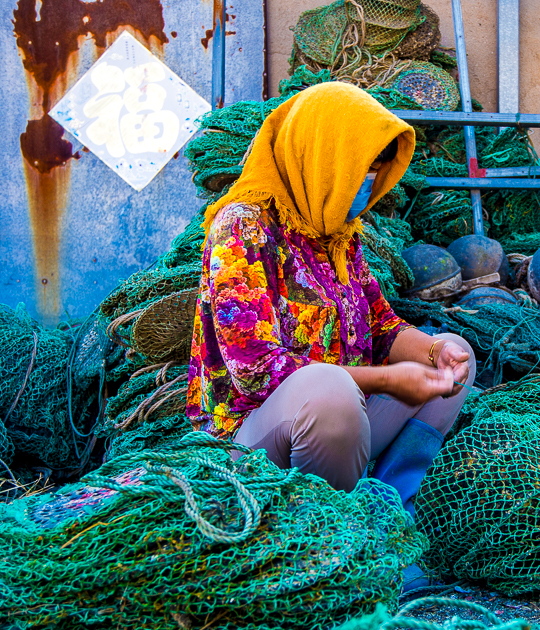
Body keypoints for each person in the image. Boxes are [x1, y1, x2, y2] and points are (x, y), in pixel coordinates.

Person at [186, 82, 475, 518]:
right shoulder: (242, 228)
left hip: (338, 426)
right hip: (250, 439)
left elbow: (381, 327)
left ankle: (389, 512)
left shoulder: (338, 236)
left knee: (455, 363)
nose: (368, 186)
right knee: (329, 391)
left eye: (375, 173)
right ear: (323, 160)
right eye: (360, 171)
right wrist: (386, 380)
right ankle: (329, 533)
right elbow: (255, 372)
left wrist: (435, 351)